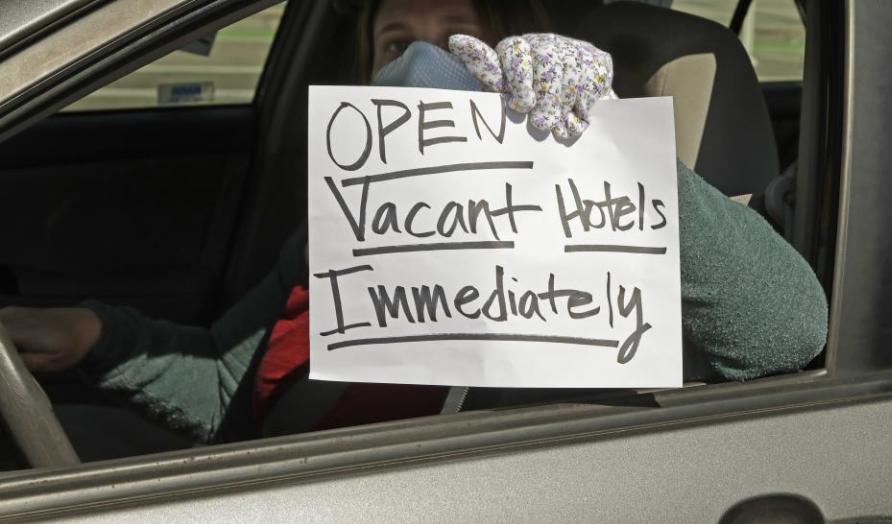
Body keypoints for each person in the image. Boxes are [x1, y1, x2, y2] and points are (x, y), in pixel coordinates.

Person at [0, 0, 828, 447]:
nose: (425, 67)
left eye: (461, 40)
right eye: (395, 43)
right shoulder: (340, 232)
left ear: (512, 59)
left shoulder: (574, 246)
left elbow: (787, 331)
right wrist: (97, 338)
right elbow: (235, 387)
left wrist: (602, 140)